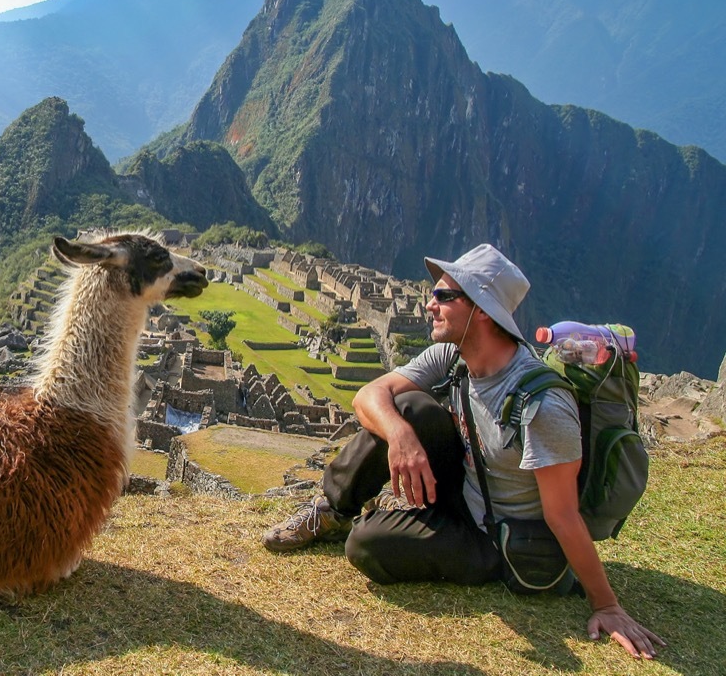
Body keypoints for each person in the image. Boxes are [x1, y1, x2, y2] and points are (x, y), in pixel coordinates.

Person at [261, 244, 666, 661]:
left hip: (498, 539)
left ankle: (379, 523)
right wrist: (401, 436)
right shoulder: (452, 356)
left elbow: (562, 515)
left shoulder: (542, 406)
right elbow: (369, 395)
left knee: (366, 545)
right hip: (466, 489)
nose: (429, 305)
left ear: (484, 311)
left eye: (443, 296)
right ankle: (330, 511)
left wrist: (606, 605)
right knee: (405, 409)